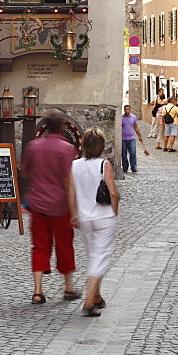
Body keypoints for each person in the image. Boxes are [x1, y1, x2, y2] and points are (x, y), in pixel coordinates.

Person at [20, 109, 78, 305]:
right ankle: (68, 287)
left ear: (45, 126)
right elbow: (67, 181)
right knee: (64, 244)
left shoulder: (33, 147)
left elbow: (25, 172)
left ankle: (37, 291)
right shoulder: (67, 149)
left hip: (38, 203)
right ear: (62, 127)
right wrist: (74, 209)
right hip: (60, 205)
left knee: (40, 245)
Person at [68, 127, 119, 318]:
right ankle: (89, 302)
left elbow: (71, 192)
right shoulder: (104, 165)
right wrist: (114, 212)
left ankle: (97, 296)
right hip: (103, 217)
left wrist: (74, 215)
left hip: (85, 218)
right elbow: (113, 193)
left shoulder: (75, 165)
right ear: (101, 146)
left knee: (93, 256)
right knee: (100, 258)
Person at [120, 104, 149, 173]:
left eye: (128, 109)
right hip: (123, 138)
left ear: (130, 110)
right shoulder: (121, 118)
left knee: (132, 153)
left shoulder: (133, 117)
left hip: (131, 138)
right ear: (124, 110)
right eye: (126, 109)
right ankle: (125, 167)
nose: (127, 110)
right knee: (124, 154)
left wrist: (140, 135)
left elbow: (136, 127)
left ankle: (133, 166)